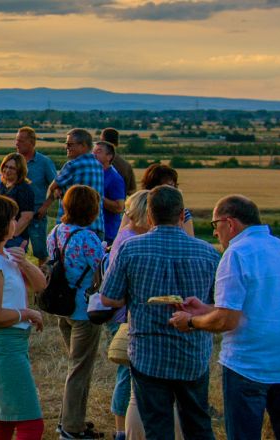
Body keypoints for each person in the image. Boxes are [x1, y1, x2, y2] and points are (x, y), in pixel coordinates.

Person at [170, 195, 280, 440]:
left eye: (215, 225)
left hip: (248, 366)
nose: (215, 234)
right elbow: (259, 304)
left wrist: (191, 321)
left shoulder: (235, 254)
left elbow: (227, 321)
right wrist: (206, 309)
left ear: (229, 223)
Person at [98, 186, 218, 440]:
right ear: (180, 216)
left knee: (156, 426)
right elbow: (219, 304)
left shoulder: (131, 249)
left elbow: (109, 297)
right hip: (192, 353)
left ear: (149, 216)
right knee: (198, 423)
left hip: (148, 352)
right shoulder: (208, 252)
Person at [0, 195, 50, 440]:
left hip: (7, 345)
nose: (16, 223)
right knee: (30, 423)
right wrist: (26, 313)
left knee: (4, 423)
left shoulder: (4, 257)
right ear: (1, 224)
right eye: (12, 219)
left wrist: (25, 263)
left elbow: (40, 285)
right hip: (2, 346)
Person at [48, 185, 109, 440]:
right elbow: (101, 268)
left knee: (77, 368)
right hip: (85, 311)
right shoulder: (88, 238)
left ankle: (73, 420)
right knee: (80, 370)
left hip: (63, 308)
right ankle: (70, 428)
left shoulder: (56, 232)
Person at [101, 189, 152, 440]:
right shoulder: (131, 239)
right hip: (124, 316)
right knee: (127, 374)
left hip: (124, 313)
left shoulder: (126, 234)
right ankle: (121, 430)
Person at [48, 129, 105, 234]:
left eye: (70, 144)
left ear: (83, 145)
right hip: (96, 226)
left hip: (72, 229)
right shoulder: (98, 165)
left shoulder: (72, 165)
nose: (67, 147)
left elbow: (52, 187)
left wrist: (56, 191)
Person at [16, 127, 60, 261]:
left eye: (21, 141)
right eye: (16, 140)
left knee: (40, 251)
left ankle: (42, 279)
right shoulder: (14, 161)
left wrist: (44, 207)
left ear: (32, 143)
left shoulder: (44, 162)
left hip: (36, 213)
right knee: (15, 250)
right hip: (16, 212)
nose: (17, 144)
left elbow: (56, 187)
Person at [0, 153, 39, 251]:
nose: (7, 170)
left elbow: (27, 217)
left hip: (14, 239)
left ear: (20, 171)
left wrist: (11, 235)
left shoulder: (24, 189)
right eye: (6, 166)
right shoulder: (2, 186)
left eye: (12, 168)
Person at [93, 142, 128, 245]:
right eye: (93, 151)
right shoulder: (96, 174)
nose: (94, 154)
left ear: (109, 156)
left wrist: (95, 196)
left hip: (108, 234)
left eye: (99, 151)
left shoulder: (114, 178)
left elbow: (119, 208)